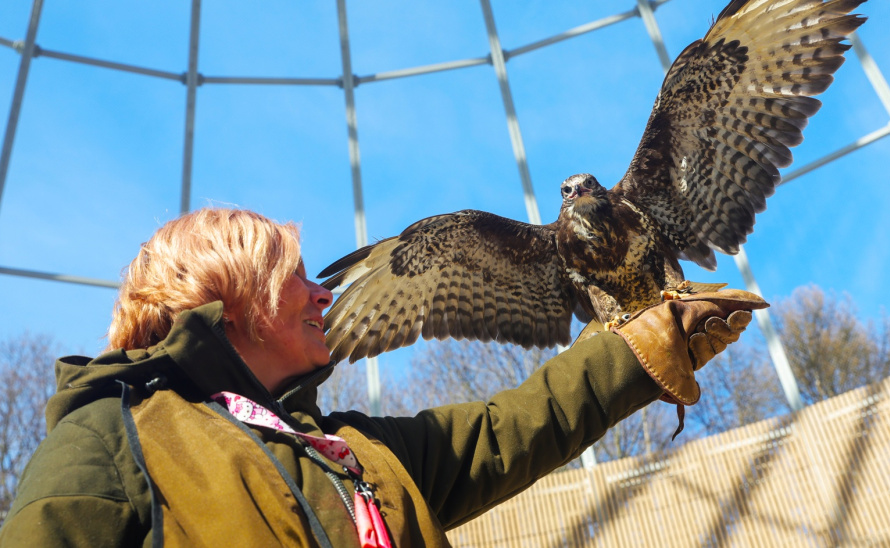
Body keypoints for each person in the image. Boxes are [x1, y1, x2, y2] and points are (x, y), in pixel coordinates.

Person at [0, 207, 766, 547]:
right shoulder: (110, 441)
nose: (323, 294)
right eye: (297, 278)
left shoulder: (354, 455)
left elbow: (509, 429)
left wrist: (645, 344)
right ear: (233, 302)